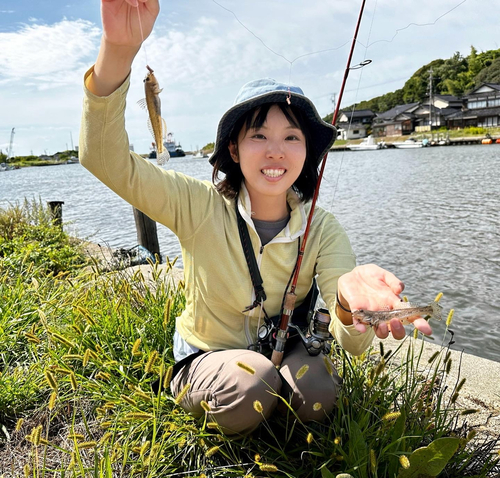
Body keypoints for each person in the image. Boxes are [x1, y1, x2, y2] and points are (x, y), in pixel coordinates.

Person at [80, 0, 433, 436]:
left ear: (306, 154)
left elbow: (352, 345)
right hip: (208, 357)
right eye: (259, 135)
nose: (275, 151)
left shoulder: (322, 229)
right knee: (251, 385)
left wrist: (347, 304)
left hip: (286, 350)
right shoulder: (196, 204)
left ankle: (274, 407)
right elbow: (103, 158)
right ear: (233, 149)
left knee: (319, 394)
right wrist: (117, 50)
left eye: (291, 137)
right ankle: (232, 398)